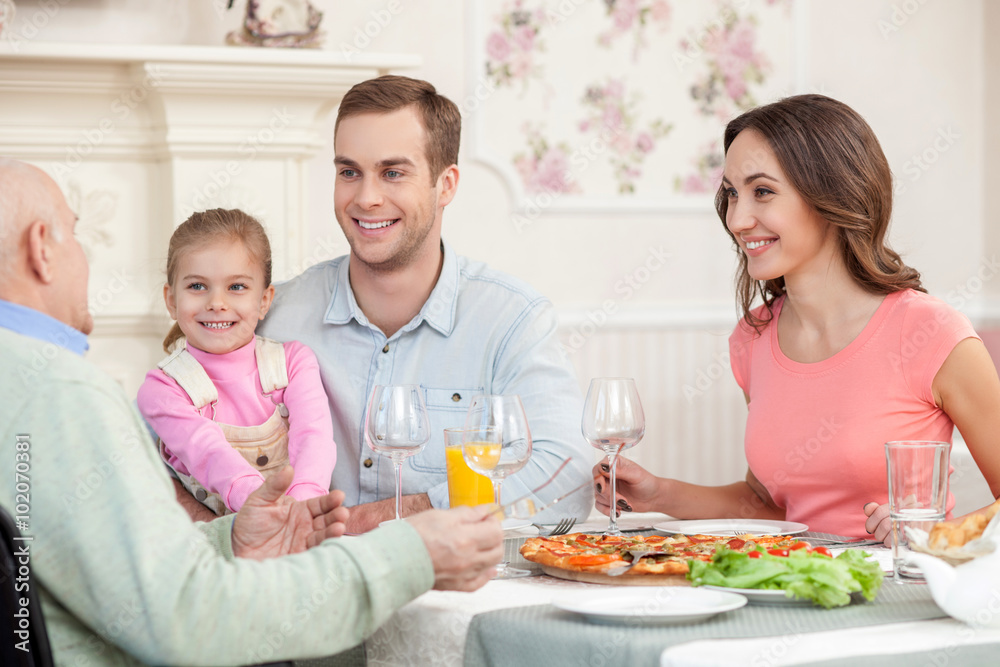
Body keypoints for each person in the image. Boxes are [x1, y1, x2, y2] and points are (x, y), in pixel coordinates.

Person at [0, 157, 503, 665]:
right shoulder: (58, 393)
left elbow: (118, 576)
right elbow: (188, 618)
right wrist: (410, 554)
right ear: (42, 248)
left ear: (264, 299)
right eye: (74, 233)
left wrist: (231, 538)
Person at [176, 74, 591, 532]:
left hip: (454, 590)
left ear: (446, 184)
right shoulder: (271, 317)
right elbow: (158, 448)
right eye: (349, 172)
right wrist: (220, 539)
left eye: (393, 173)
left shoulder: (510, 321)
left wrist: (371, 521)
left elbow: (566, 481)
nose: (366, 198)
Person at [593, 95, 1000, 542]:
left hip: (899, 593)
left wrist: (934, 535)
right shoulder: (754, 337)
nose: (738, 218)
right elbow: (768, 506)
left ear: (833, 196)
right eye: (731, 194)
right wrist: (658, 495)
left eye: (762, 191)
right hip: (792, 590)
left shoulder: (932, 334)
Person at [138, 209, 336, 515]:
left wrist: (302, 508)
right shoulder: (163, 389)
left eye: (237, 287)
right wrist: (266, 512)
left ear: (264, 301)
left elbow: (314, 439)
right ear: (171, 300)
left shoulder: (294, 363)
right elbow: (209, 453)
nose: (217, 303)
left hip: (298, 524)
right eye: (197, 286)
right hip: (214, 546)